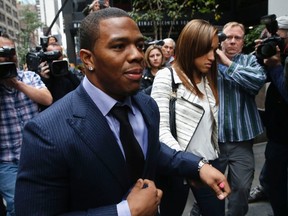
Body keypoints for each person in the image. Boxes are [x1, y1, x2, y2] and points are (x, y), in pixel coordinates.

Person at [14, 8, 230, 215]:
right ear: (88, 59)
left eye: (139, 45)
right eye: (119, 46)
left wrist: (197, 166)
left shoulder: (147, 106)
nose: (137, 55)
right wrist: (124, 212)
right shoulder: (46, 132)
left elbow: (150, 151)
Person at [151, 19, 224, 216]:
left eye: (215, 50)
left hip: (210, 163)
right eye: (206, 50)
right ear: (191, 47)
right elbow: (160, 130)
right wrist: (190, 163)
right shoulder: (167, 77)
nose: (211, 57)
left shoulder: (208, 77)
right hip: (178, 168)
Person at [215, 21, 266, 216]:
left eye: (237, 38)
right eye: (228, 37)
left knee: (242, 189)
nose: (232, 42)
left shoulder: (249, 62)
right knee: (210, 191)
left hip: (242, 140)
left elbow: (257, 81)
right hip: (214, 140)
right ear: (220, 40)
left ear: (243, 43)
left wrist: (227, 64)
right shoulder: (208, 61)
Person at [0, 33, 52, 216]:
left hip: (37, 154)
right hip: (8, 160)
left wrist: (18, 84)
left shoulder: (29, 77)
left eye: (11, 51)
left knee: (43, 200)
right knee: (16, 204)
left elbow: (47, 99)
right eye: (2, 52)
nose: (8, 56)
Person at [251, 15, 288, 216]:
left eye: (280, 39)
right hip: (277, 133)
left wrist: (276, 65)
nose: (276, 43)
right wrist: (261, 55)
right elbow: (259, 77)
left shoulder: (281, 62)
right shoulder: (277, 54)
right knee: (274, 180)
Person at [38, 42, 81, 110]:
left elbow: (79, 88)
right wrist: (45, 79)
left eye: (58, 54)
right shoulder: (38, 75)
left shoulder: (69, 71)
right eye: (51, 53)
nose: (54, 56)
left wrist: (65, 70)